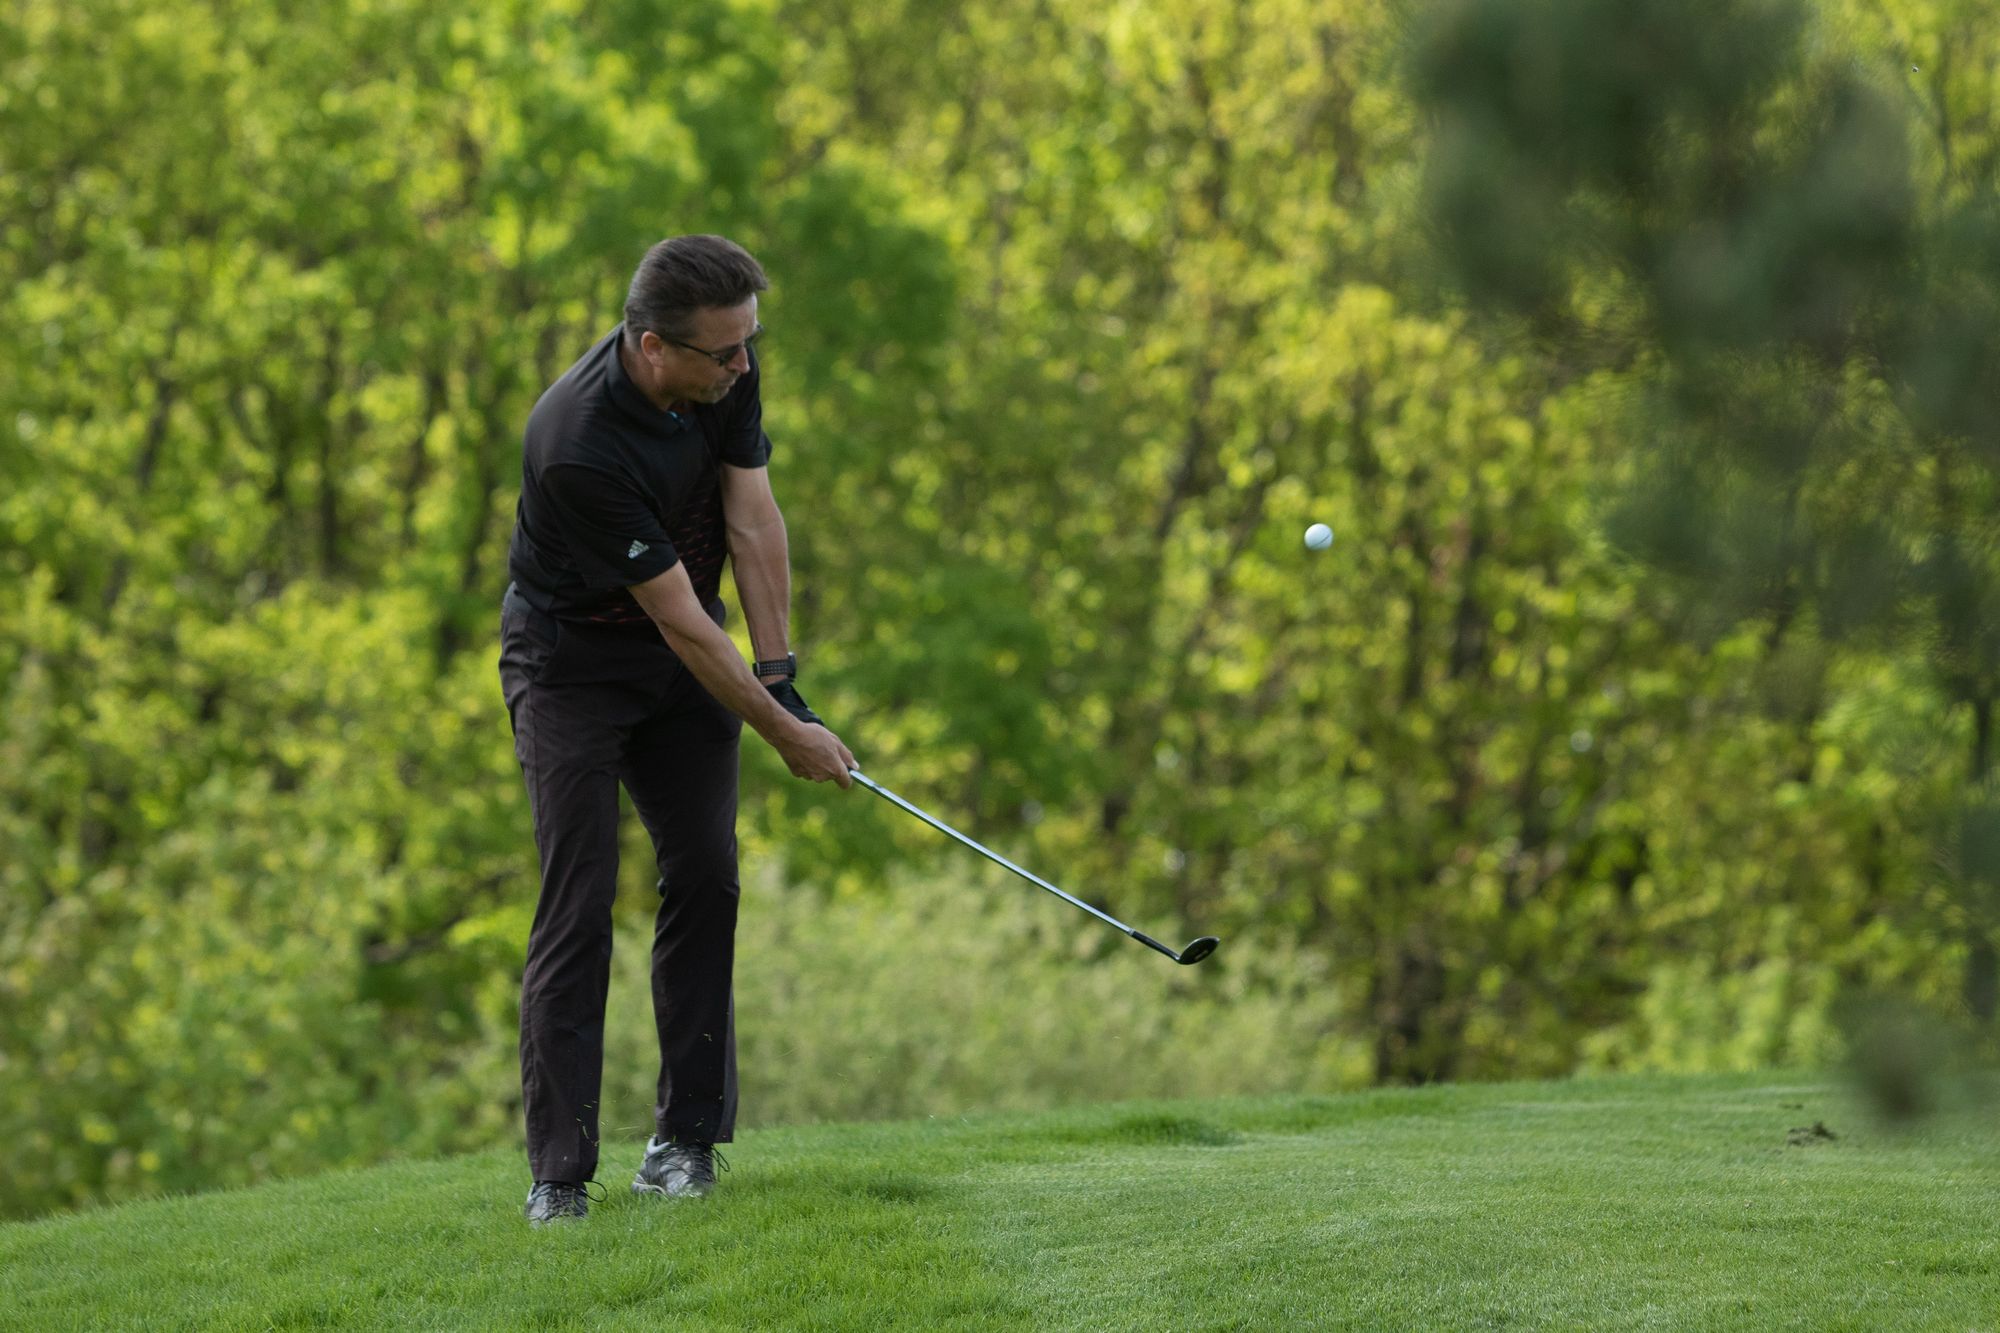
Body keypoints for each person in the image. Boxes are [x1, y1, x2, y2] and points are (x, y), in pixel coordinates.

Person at [498, 234, 856, 1226]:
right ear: (653, 346)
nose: (744, 365)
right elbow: (682, 620)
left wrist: (782, 681)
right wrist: (782, 735)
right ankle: (560, 1175)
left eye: (750, 344)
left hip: (681, 660)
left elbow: (752, 520)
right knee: (578, 897)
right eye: (724, 351)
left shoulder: (723, 370)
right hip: (570, 665)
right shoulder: (576, 441)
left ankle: (683, 1145)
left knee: (706, 874)